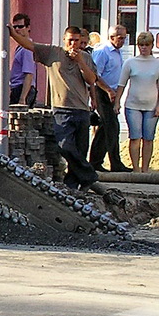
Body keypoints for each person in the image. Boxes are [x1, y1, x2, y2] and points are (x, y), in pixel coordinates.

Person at [8, 24, 99, 191]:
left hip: (82, 110)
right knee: (65, 146)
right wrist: (14, 34)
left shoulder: (85, 57)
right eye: (70, 41)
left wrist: (80, 62)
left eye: (77, 41)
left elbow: (91, 79)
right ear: (64, 40)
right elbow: (30, 45)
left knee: (80, 150)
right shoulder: (53, 53)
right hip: (62, 109)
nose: (73, 44)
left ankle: (72, 186)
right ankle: (89, 176)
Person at [115, 31, 159, 173]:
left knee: (148, 138)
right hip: (133, 105)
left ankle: (145, 170)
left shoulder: (157, 63)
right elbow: (121, 84)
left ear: (152, 45)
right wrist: (117, 102)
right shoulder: (130, 62)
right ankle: (135, 169)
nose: (144, 48)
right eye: (141, 45)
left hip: (151, 105)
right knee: (135, 137)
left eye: (146, 45)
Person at [89, 25, 131, 172]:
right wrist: (106, 91)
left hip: (112, 92)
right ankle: (97, 162)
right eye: (120, 38)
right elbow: (95, 75)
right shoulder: (102, 52)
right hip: (102, 92)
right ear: (112, 37)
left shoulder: (117, 52)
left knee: (109, 128)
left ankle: (112, 162)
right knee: (110, 127)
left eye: (124, 39)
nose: (122, 42)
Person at [9, 13, 36, 106]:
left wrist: (22, 98)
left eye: (20, 26)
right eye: (15, 27)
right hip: (17, 87)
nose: (17, 29)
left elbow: (29, 74)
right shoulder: (21, 47)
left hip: (22, 89)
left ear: (28, 27)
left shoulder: (27, 49)